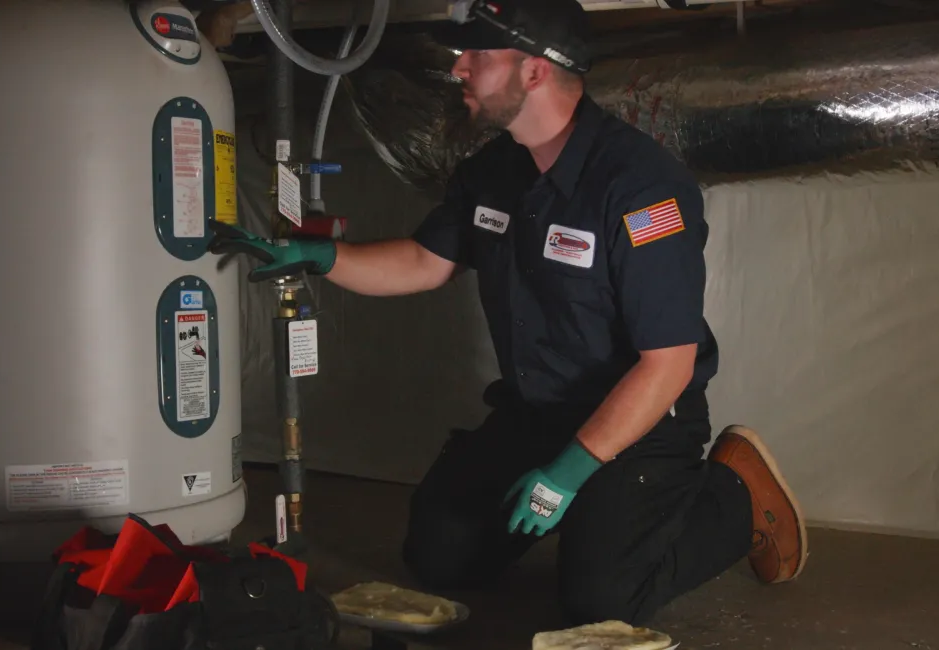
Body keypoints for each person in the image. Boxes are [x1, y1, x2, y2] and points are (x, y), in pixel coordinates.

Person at [207, 0, 806, 626]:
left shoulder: (640, 189)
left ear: (536, 71)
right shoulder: (491, 173)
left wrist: (569, 472)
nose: (460, 68)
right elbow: (423, 261)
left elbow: (668, 364)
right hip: (536, 413)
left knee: (601, 600)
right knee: (439, 559)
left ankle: (735, 496)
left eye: (479, 55)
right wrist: (319, 256)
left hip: (640, 423)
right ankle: (594, 518)